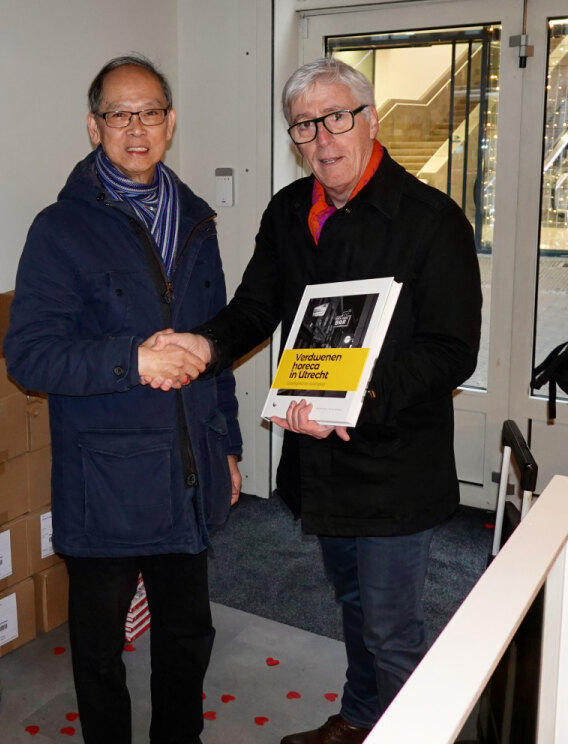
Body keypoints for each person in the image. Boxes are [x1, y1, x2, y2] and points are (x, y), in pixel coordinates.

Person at [156, 57, 482, 744]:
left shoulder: (431, 220)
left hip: (396, 461)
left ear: (369, 119)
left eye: (336, 118)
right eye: (304, 126)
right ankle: (362, 718)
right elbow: (254, 308)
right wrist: (202, 346)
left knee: (394, 629)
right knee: (355, 603)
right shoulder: (287, 213)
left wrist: (358, 399)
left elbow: (453, 350)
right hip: (320, 459)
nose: (321, 139)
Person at [2, 55, 243, 743]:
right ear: (93, 125)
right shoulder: (60, 228)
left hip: (190, 465)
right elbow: (28, 354)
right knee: (100, 649)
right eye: (118, 113)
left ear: (170, 123)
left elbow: (213, 346)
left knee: (187, 636)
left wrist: (227, 444)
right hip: (103, 480)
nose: (136, 127)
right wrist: (131, 360)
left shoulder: (196, 218)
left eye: (150, 113)